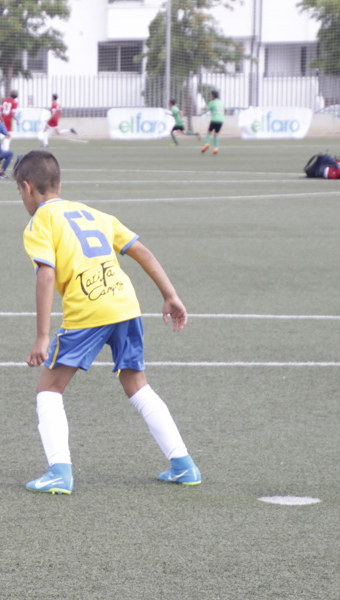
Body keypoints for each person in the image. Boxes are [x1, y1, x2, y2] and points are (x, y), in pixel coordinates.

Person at [15, 149, 200, 495]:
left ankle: (59, 472)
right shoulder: (94, 213)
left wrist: (42, 336)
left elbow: (46, 274)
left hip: (89, 308)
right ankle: (183, 464)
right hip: (125, 304)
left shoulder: (41, 220)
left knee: (49, 388)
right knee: (137, 385)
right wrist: (170, 294)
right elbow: (141, 251)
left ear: (27, 188)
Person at [201, 91, 224, 155]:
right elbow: (226, 109)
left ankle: (207, 143)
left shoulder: (212, 102)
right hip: (221, 120)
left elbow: (204, 109)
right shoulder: (221, 102)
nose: (211, 97)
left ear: (213, 96)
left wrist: (206, 105)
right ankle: (216, 148)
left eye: (211, 95)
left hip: (214, 120)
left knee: (209, 132)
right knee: (216, 134)